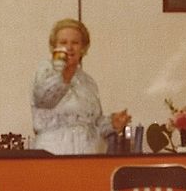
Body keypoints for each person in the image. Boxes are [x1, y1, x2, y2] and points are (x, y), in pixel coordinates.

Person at [31, 18, 131, 155]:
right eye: (63, 42)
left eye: (75, 43)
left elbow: (94, 124)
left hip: (87, 153)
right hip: (53, 152)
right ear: (54, 47)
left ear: (83, 48)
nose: (69, 47)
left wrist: (112, 124)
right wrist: (64, 76)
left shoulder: (88, 81)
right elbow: (44, 99)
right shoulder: (46, 70)